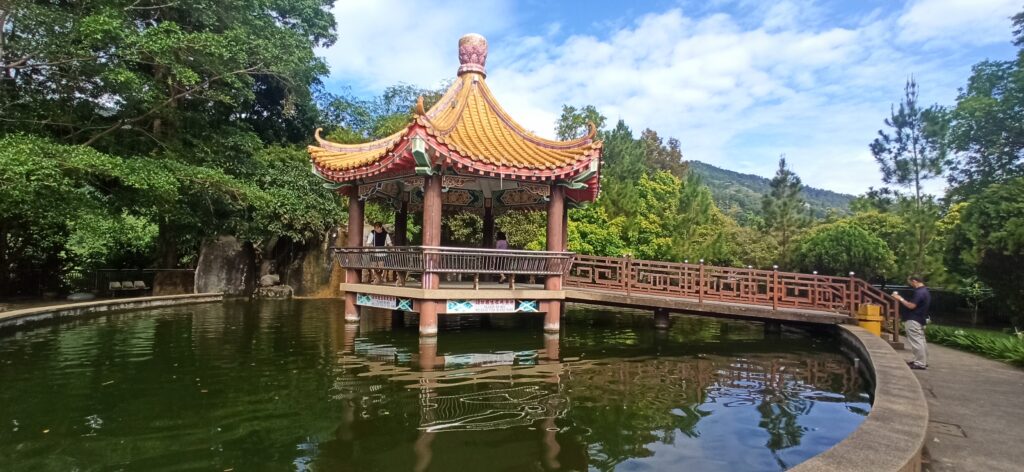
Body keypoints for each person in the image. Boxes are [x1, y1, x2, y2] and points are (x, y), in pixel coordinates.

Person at [893, 275, 931, 370]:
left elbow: (911, 306)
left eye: (911, 283)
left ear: (914, 281)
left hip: (913, 319)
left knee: (916, 341)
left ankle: (919, 363)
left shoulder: (919, 292)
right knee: (921, 340)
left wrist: (900, 298)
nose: (911, 285)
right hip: (920, 319)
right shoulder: (925, 291)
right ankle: (922, 361)